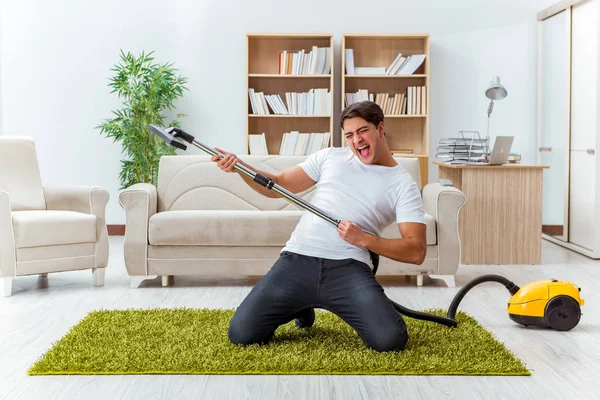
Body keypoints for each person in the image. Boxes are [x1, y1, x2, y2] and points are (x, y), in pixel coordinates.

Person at [211, 101, 427, 352]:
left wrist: (363, 239)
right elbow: (278, 184)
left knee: (390, 340)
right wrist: (239, 167)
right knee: (241, 334)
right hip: (298, 258)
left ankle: (304, 301)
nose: (356, 140)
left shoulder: (403, 184)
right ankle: (301, 304)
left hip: (348, 267)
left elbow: (416, 251)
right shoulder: (330, 157)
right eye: (349, 135)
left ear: (380, 128)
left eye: (362, 131)